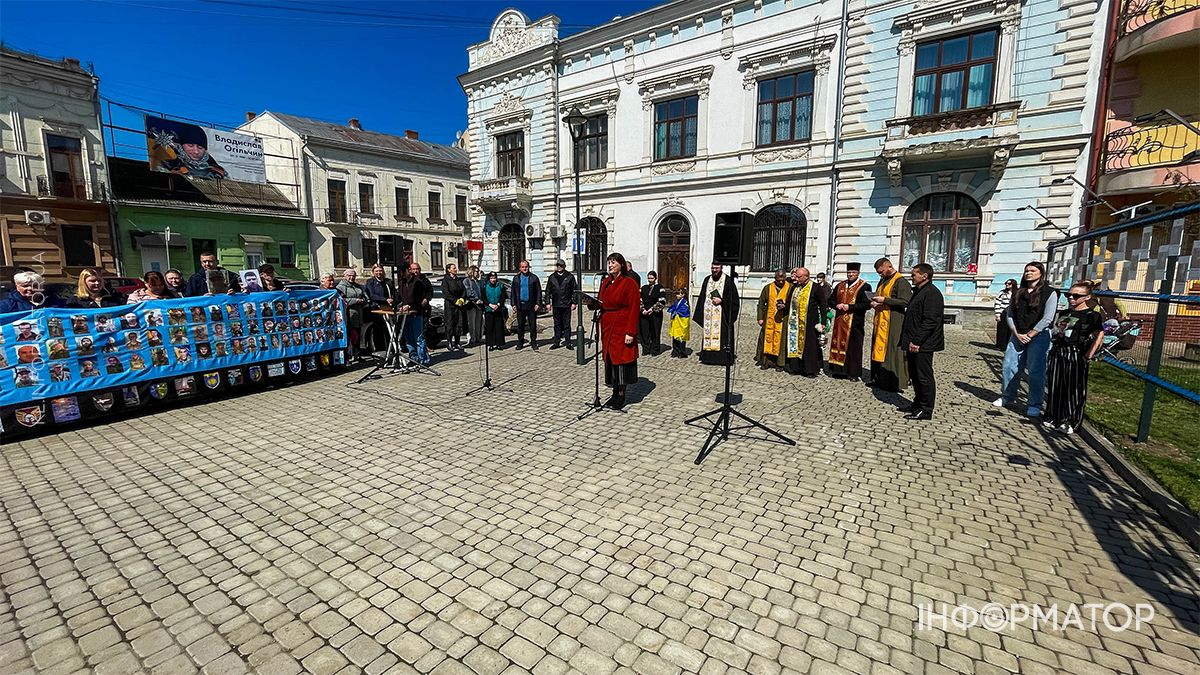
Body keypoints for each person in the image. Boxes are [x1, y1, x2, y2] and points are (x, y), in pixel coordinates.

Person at [996, 261, 1059, 418]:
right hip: (1017, 334)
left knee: (1036, 371)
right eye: (1026, 270)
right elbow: (1009, 313)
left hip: (1039, 336)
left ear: (1040, 273)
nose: (1028, 273)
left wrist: (1032, 333)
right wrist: (1016, 333)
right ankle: (1007, 397)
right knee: (1009, 367)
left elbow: (1048, 317)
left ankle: (1034, 404)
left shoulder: (1049, 293)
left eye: (1032, 270)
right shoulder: (1019, 292)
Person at [1044, 282, 1106, 434]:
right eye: (1069, 295)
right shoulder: (1065, 312)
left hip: (1076, 353)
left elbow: (1099, 336)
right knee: (1055, 385)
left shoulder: (1092, 315)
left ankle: (1071, 420)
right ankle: (1054, 416)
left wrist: (1088, 355)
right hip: (1058, 351)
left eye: (1076, 296)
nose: (1071, 298)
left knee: (1073, 389)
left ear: (1087, 297)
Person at [589, 252, 640, 410]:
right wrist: (593, 303)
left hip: (622, 326)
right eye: (609, 262)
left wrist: (630, 332)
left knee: (621, 361)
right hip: (607, 326)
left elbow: (634, 309)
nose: (610, 265)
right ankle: (614, 392)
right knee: (610, 360)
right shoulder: (605, 282)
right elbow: (602, 302)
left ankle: (621, 395)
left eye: (613, 262)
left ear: (621, 265)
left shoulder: (629, 283)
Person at [899, 263, 944, 420]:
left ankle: (926, 409)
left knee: (923, 376)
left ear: (924, 276)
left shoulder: (932, 293)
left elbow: (930, 321)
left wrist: (917, 341)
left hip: (923, 344)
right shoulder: (919, 291)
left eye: (914, 274)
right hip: (914, 341)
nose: (912, 277)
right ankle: (917, 403)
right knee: (915, 375)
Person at [868, 257, 912, 392]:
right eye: (878, 273)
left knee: (893, 351)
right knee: (878, 349)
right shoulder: (883, 280)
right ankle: (879, 379)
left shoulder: (901, 282)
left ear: (889, 267)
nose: (880, 275)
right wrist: (874, 302)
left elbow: (905, 301)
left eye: (881, 272)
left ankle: (894, 382)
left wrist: (885, 300)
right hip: (881, 318)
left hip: (894, 320)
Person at [827, 262, 873, 381]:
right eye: (849, 272)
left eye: (853, 272)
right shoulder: (840, 285)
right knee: (837, 344)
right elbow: (830, 300)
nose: (851, 274)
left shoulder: (865, 286)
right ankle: (838, 370)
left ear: (858, 273)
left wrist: (850, 307)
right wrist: (837, 305)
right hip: (839, 321)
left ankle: (853, 373)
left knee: (853, 348)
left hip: (855, 323)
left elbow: (867, 305)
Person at [693, 261, 739, 365]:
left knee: (722, 337)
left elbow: (734, 300)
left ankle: (723, 359)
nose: (714, 270)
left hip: (723, 316)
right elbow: (702, 297)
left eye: (716, 268)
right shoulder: (707, 280)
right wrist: (700, 315)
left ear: (721, 268)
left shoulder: (728, 281)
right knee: (708, 334)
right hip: (709, 315)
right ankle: (708, 358)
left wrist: (722, 301)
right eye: (712, 268)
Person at [783, 267, 825, 377]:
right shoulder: (794, 287)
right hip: (795, 322)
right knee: (794, 344)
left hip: (810, 322)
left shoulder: (815, 288)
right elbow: (789, 303)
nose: (796, 278)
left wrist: (823, 322)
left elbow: (823, 305)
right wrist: (782, 306)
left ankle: (810, 370)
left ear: (806, 277)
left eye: (799, 276)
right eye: (796, 276)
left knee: (809, 346)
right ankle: (796, 367)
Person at [155, 123, 227, 179]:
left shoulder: (218, 171)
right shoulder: (167, 166)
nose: (196, 151)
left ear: (205, 150)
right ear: (181, 146)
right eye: (190, 145)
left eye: (200, 147)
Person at [395, 262, 432, 365]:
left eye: (403, 272)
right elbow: (400, 298)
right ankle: (414, 358)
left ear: (408, 271)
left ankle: (423, 360)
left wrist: (410, 306)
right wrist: (393, 303)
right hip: (406, 315)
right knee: (409, 339)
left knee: (419, 338)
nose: (401, 274)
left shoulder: (418, 282)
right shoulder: (402, 283)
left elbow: (419, 299)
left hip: (416, 313)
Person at [755, 270, 791, 369]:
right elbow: (761, 303)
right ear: (775, 279)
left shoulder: (790, 287)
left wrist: (784, 306)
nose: (781, 282)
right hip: (769, 319)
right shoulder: (767, 288)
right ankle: (766, 362)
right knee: (767, 339)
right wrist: (760, 318)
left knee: (781, 341)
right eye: (779, 280)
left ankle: (780, 363)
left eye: (782, 280)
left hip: (783, 319)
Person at [510, 260, 542, 350]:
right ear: (520, 268)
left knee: (532, 325)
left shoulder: (534, 278)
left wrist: (538, 303)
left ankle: (533, 342)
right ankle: (520, 342)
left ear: (529, 267)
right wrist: (513, 304)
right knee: (520, 326)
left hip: (531, 305)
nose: (525, 268)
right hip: (520, 305)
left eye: (526, 267)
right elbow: (513, 292)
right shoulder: (516, 278)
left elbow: (538, 292)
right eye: (523, 267)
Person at [545, 259, 577, 350]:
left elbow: (574, 290)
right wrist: (548, 303)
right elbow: (548, 291)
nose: (559, 267)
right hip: (556, 304)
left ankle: (568, 342)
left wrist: (574, 302)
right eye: (558, 265)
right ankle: (557, 342)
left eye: (561, 265)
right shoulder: (552, 277)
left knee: (567, 324)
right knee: (557, 324)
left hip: (567, 304)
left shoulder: (570, 277)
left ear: (564, 266)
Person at [336, 269, 368, 357]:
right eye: (349, 275)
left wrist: (364, 300)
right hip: (348, 314)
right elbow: (341, 300)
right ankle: (348, 355)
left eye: (353, 276)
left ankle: (357, 354)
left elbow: (365, 296)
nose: (351, 277)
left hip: (359, 314)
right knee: (350, 335)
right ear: (345, 276)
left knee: (357, 334)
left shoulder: (358, 286)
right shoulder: (340, 287)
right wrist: (355, 300)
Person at [0, 271, 65, 313]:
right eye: (25, 286)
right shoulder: (6, 305)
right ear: (17, 287)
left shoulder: (54, 301)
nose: (30, 288)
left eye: (35, 286)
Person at [639, 271, 667, 355]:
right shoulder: (643, 288)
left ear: (655, 278)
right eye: (649, 278)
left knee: (655, 331)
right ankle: (646, 349)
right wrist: (642, 309)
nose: (650, 280)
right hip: (644, 313)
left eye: (652, 278)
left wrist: (652, 309)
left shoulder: (660, 287)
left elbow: (662, 300)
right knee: (644, 332)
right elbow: (639, 299)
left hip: (655, 313)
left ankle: (655, 349)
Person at [481, 271, 508, 350]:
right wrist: (490, 305)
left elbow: (503, 297)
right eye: (491, 278)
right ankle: (490, 344)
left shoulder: (500, 286)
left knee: (498, 327)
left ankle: (499, 344)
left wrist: (498, 304)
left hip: (498, 308)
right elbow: (484, 298)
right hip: (489, 309)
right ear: (489, 279)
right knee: (490, 327)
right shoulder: (485, 286)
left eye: (494, 278)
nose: (493, 280)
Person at [443, 263, 466, 351]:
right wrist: (455, 301)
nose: (456, 269)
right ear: (449, 270)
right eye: (454, 268)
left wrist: (462, 299)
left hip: (459, 306)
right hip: (450, 306)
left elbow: (463, 290)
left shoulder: (458, 280)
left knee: (459, 324)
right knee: (450, 324)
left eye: (456, 268)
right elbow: (446, 293)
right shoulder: (446, 280)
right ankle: (449, 343)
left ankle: (457, 342)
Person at [463, 266, 485, 347]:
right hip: (471, 304)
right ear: (471, 271)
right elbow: (468, 291)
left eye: (478, 271)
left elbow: (482, 291)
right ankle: (472, 339)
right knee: (471, 322)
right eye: (476, 271)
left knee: (479, 322)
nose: (477, 273)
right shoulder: (467, 281)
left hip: (480, 305)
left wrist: (482, 300)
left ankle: (478, 338)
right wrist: (476, 299)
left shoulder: (478, 281)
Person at [993, 279, 1016, 349]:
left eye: (1009, 283)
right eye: (1006, 283)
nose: (1007, 285)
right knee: (1002, 330)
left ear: (1013, 284)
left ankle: (1008, 345)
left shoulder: (1017, 293)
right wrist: (997, 315)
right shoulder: (1002, 293)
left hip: (1013, 314)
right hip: (1003, 312)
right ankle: (1001, 345)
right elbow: (997, 303)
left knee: (1011, 330)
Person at [667, 289, 691, 358]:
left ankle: (682, 352)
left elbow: (685, 311)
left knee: (681, 338)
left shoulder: (685, 302)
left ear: (683, 295)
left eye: (679, 294)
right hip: (676, 322)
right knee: (675, 338)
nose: (677, 295)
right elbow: (673, 308)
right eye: (676, 294)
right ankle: (675, 351)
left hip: (681, 323)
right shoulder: (676, 302)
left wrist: (677, 312)